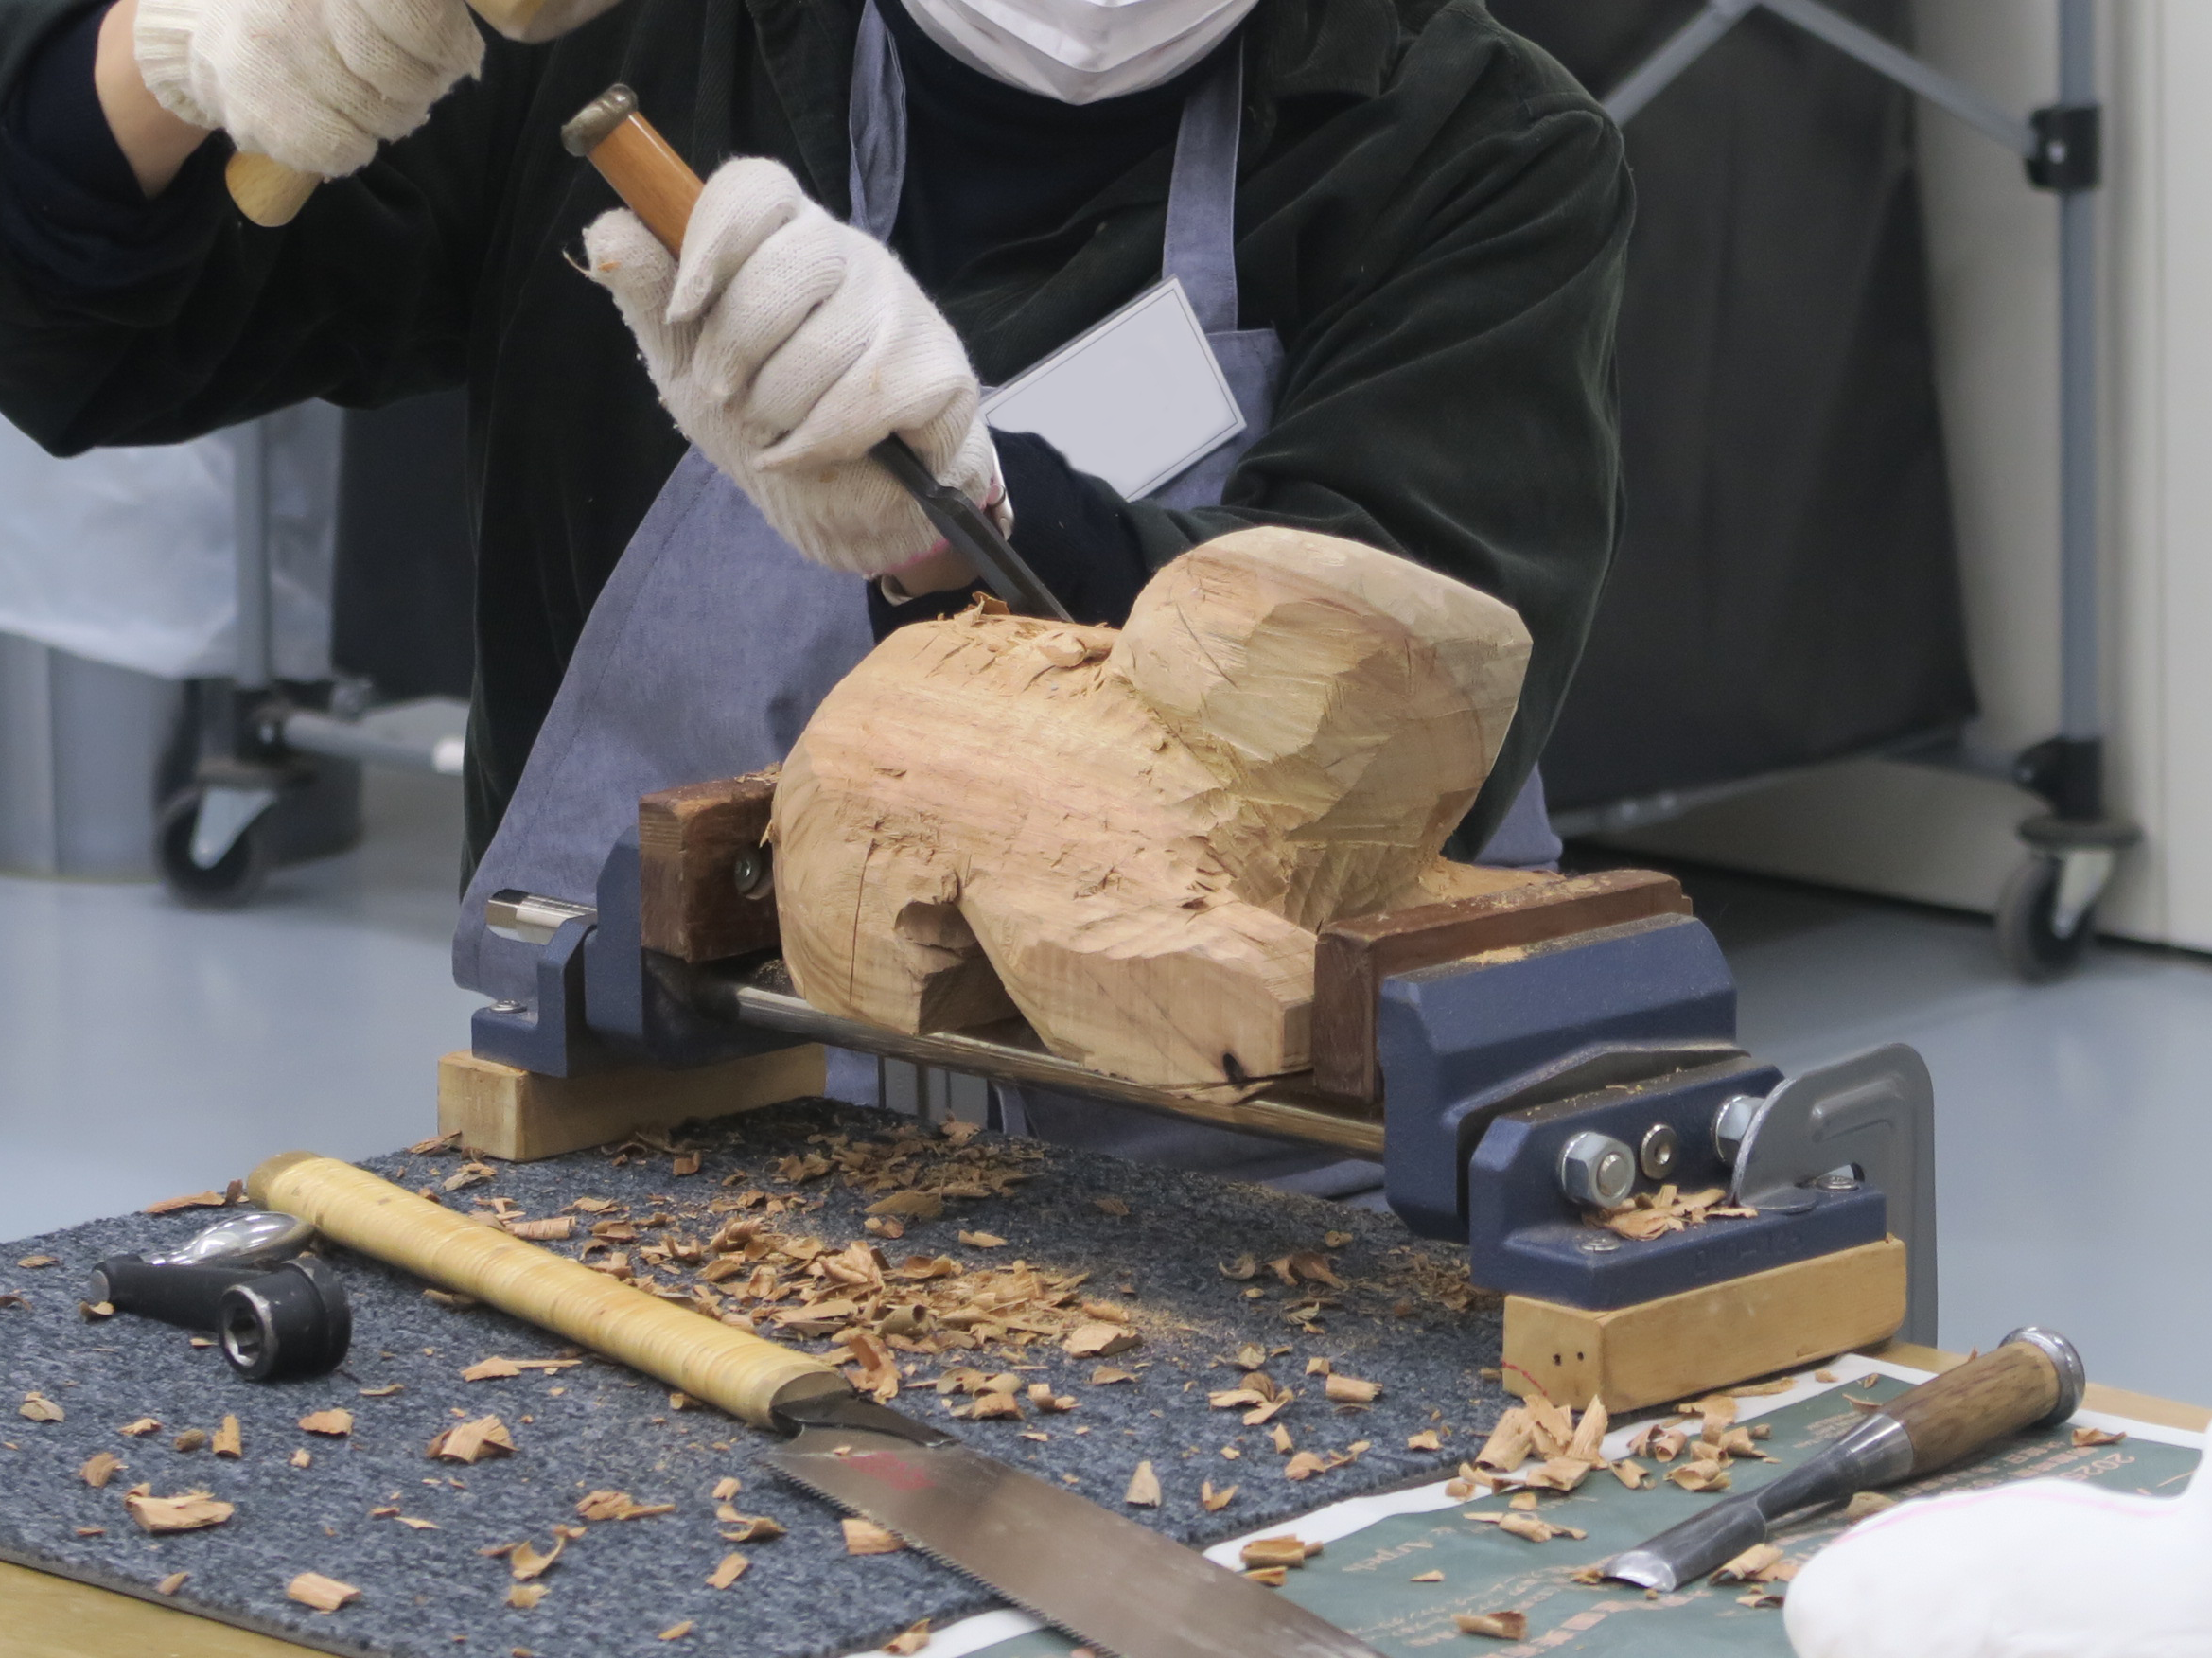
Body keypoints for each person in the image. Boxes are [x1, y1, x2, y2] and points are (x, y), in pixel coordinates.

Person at [0, 0, 1631, 1183]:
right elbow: (84, 340)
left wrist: (958, 515)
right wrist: (173, 56)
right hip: (667, 1142)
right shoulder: (625, 40)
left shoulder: (1474, 148)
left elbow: (1394, 724)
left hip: (1246, 1197)